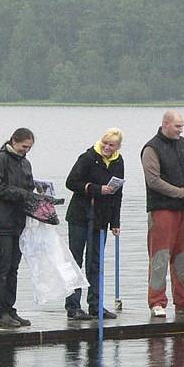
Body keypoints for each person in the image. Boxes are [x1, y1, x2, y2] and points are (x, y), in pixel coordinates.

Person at [141, 110, 184, 318]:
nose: (180, 130)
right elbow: (154, 181)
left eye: (182, 126)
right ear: (165, 124)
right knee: (160, 257)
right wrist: (182, 193)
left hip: (183, 210)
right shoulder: (151, 148)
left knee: (183, 257)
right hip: (161, 209)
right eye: (177, 126)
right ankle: (156, 302)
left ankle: (183, 300)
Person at [65, 128, 125, 320]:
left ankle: (96, 305)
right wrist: (97, 189)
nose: (107, 147)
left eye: (112, 145)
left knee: (96, 262)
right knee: (75, 260)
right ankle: (73, 306)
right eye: (105, 143)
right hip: (80, 216)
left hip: (101, 218)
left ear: (118, 147)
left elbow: (118, 193)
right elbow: (71, 182)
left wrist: (115, 221)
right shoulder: (88, 157)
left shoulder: (118, 161)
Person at [0, 128, 36, 329]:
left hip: (18, 221)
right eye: (24, 146)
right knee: (2, 266)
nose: (26, 151)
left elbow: (28, 187)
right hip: (1, 221)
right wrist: (21, 194)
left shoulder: (25, 162)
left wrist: (35, 193)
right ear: (14, 141)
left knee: (13, 267)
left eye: (30, 147)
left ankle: (10, 308)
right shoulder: (1, 160)